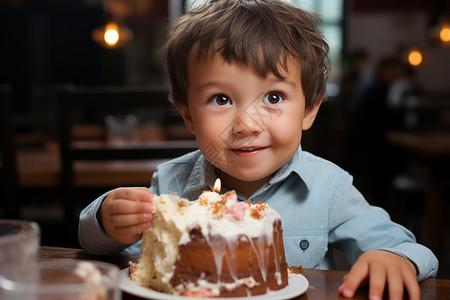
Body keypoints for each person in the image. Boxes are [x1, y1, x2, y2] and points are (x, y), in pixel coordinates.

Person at [78, 1, 438, 299]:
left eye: (273, 97)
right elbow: (106, 251)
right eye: (221, 99)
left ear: (309, 109)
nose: (247, 124)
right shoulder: (169, 182)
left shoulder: (330, 188)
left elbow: (408, 247)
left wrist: (393, 258)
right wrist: (108, 221)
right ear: (188, 115)